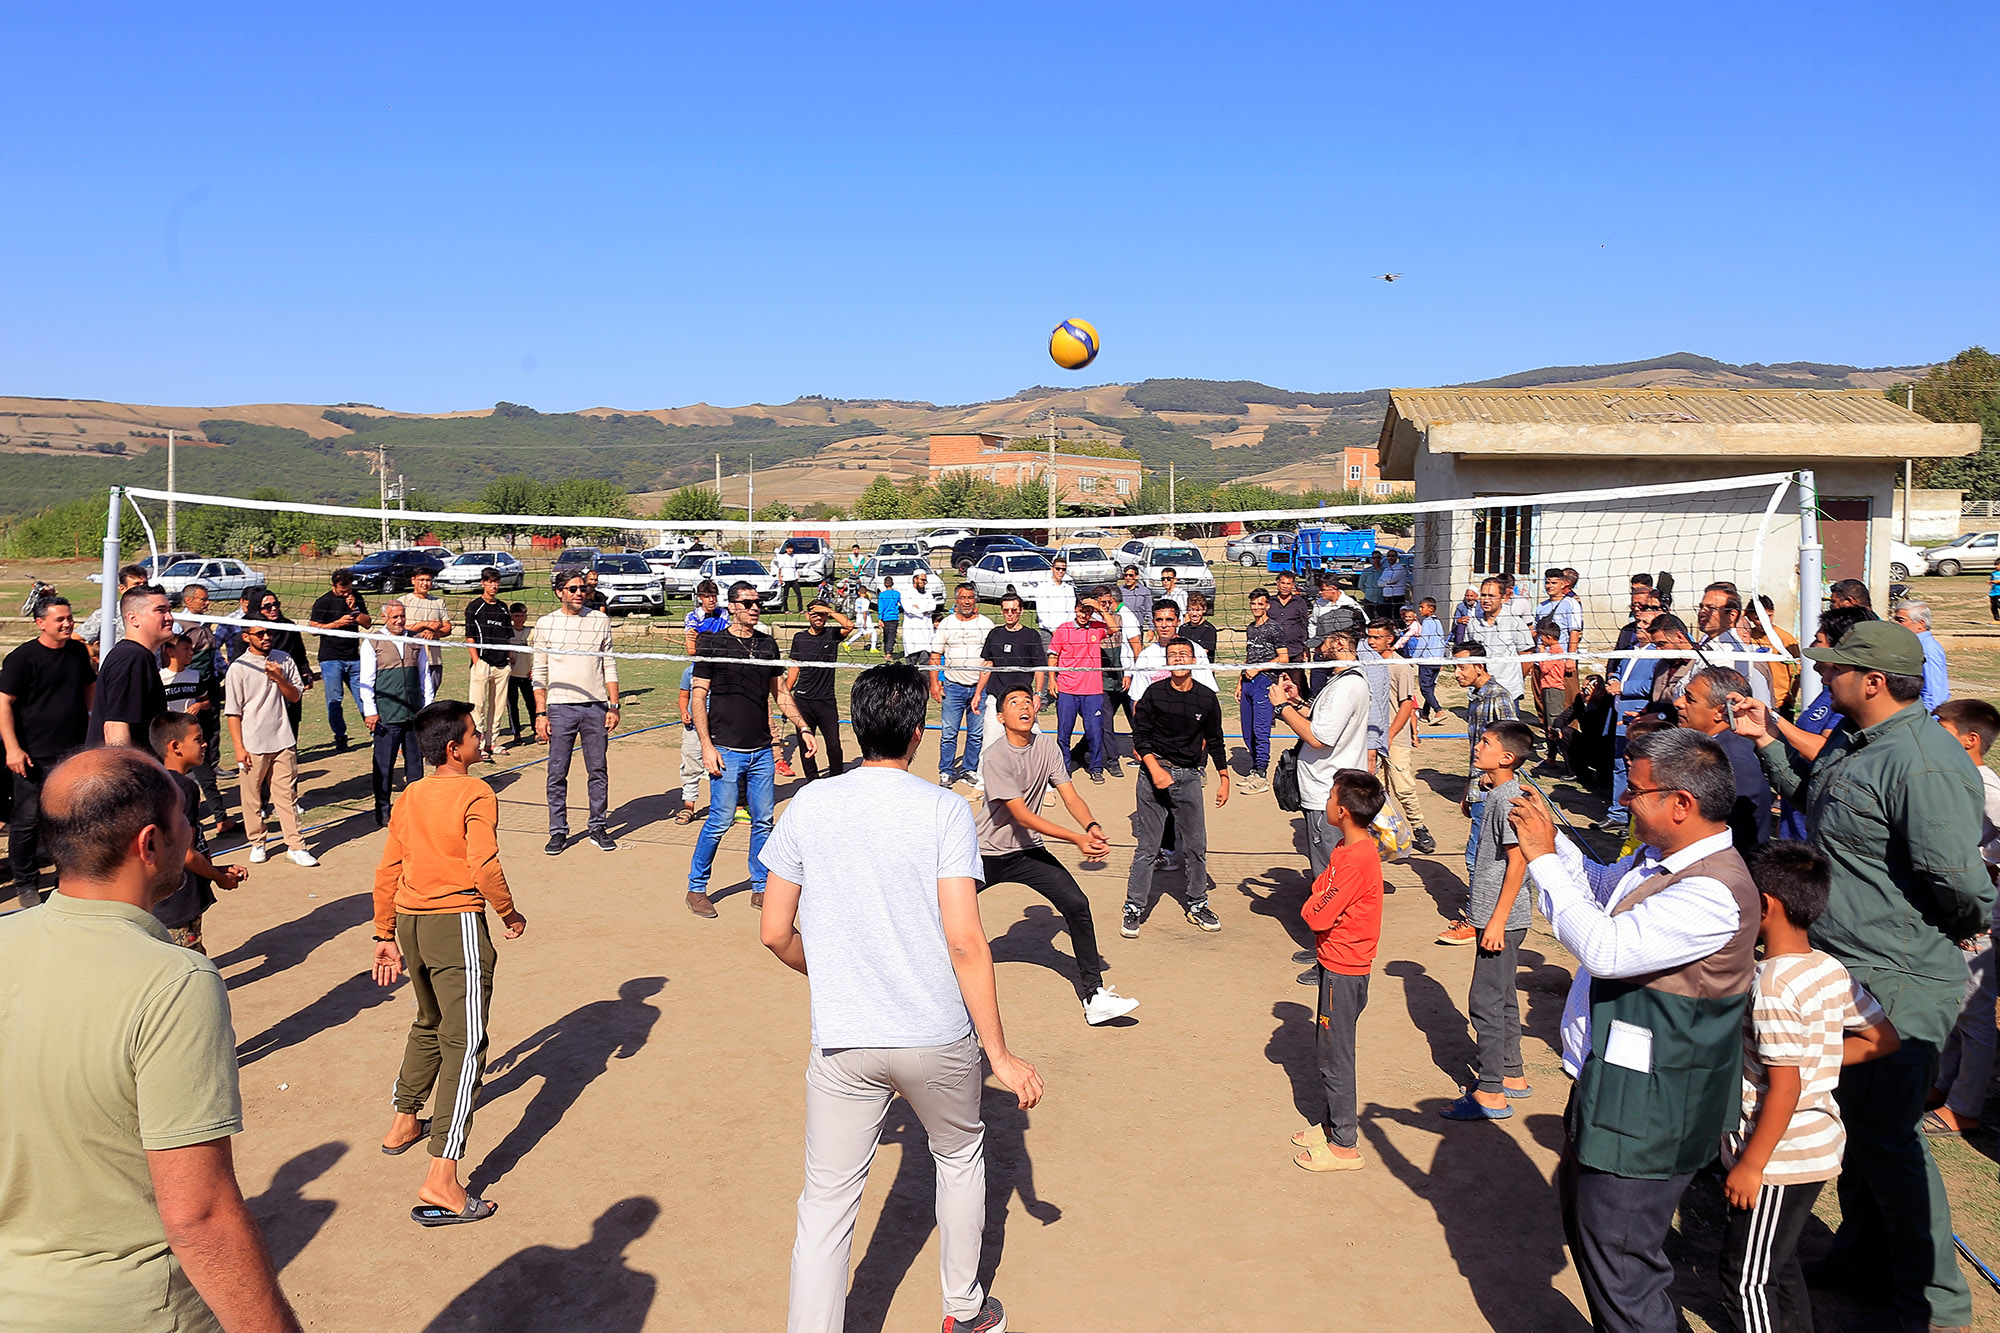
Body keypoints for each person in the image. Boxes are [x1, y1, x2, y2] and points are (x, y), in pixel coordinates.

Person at [758, 662, 1042, 1333]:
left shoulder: (810, 804)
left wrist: (835, 974)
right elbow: (966, 940)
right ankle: (963, 1311)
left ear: (857, 726)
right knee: (960, 1158)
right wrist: (1000, 1055)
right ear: (918, 733)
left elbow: (774, 932)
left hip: (843, 1041)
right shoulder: (943, 808)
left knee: (826, 1204)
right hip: (936, 1035)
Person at [1733, 622, 1994, 1332]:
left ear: (1873, 681)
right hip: (1848, 964)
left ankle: (1936, 1305)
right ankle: (1864, 1260)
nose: (1825, 677)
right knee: (1860, 1127)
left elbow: (1957, 879)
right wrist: (1766, 741)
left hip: (1901, 973)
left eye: (1836, 669)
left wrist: (1957, 925)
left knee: (1889, 1138)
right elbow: (1815, 801)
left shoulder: (1923, 762)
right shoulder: (1855, 739)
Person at [0, 748, 301, 1332]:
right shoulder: (174, 982)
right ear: (150, 844)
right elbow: (199, 1213)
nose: (190, 831)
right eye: (183, 819)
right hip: (133, 1310)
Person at [1508, 730, 1760, 1333]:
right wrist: (1556, 844)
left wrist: (1543, 859)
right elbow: (1601, 891)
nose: (1623, 799)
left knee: (1621, 1259)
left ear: (1682, 803)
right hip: (1615, 1084)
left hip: (1656, 1104)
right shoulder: (1662, 863)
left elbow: (1606, 948)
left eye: (1637, 790)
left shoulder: (1713, 891)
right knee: (1593, 1233)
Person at [1718, 839, 1899, 1333]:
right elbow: (1882, 1038)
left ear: (1766, 905)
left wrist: (1751, 1165)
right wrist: (1814, 1060)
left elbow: (1785, 1089)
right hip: (1815, 1146)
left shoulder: (1771, 986)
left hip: (1778, 1158)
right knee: (1777, 1264)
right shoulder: (1828, 968)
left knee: (1745, 1280)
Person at [371, 701, 527, 1228]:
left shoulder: (411, 794)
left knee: (430, 1021)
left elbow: (388, 866)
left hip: (410, 924)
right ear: (455, 749)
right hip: (455, 923)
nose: (481, 739)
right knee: (467, 1042)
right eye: (475, 733)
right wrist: (509, 912)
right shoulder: (476, 791)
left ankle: (404, 1120)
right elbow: (483, 864)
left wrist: (384, 932)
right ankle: (443, 1174)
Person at [977, 686, 1138, 1026]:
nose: (1023, 706)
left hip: (1027, 851)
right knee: (936, 908)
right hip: (984, 853)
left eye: (1027, 701)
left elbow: (1070, 795)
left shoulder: (1047, 747)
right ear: (1001, 717)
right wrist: (1076, 838)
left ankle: (1094, 996)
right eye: (1013, 702)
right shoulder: (995, 756)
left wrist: (1091, 825)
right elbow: (1022, 816)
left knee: (1077, 905)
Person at [687, 581, 813, 918]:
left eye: (758, 602)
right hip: (726, 749)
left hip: (761, 751)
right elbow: (698, 696)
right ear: (732, 606)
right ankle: (696, 888)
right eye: (747, 603)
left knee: (764, 821)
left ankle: (760, 886)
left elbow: (781, 693)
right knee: (719, 821)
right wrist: (707, 746)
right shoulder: (713, 643)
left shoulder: (767, 644)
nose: (755, 608)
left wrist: (802, 727)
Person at [1291, 768, 1386, 1173]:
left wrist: (1316, 903)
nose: (1326, 802)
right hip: (1336, 963)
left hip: (1344, 969)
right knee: (1329, 1048)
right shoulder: (1347, 850)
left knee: (1336, 1056)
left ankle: (1345, 1144)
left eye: (1331, 797)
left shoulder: (1355, 860)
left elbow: (1316, 913)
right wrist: (1319, 900)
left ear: (1343, 811)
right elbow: (1321, 894)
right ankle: (1333, 1126)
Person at [1441, 720, 1536, 1119]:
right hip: (1499, 915)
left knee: (1484, 1001)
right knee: (1503, 995)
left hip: (1502, 918)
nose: (1477, 747)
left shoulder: (1508, 799)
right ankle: (1512, 1073)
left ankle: (1491, 1091)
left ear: (1507, 757)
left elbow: (1518, 861)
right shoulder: (1502, 792)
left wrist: (1497, 921)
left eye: (1486, 742)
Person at [1122, 639, 1229, 937]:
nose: (1178, 658)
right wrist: (1155, 769)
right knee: (1148, 847)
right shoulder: (1154, 694)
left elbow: (1216, 739)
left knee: (1196, 846)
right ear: (1167, 662)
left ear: (1194, 660)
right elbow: (1140, 737)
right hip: (1153, 774)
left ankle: (1198, 903)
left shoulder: (1206, 697)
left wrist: (1224, 777)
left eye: (1183, 654)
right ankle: (1134, 907)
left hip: (1189, 776)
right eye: (1173, 655)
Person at [1927, 699, 2000, 1136]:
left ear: (1970, 740)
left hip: (1980, 913)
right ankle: (1944, 1083)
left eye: (1942, 728)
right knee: (1955, 1001)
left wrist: (1984, 863)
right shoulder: (1954, 777)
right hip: (1959, 909)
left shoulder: (1986, 786)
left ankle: (1966, 1106)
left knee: (1974, 1009)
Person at [0, 595, 95, 908]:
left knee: (68, 819)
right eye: (60, 619)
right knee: (26, 821)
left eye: (69, 618)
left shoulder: (78, 652)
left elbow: (89, 688)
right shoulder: (22, 658)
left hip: (71, 753)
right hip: (32, 755)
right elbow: (3, 703)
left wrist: (91, 727)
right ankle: (26, 883)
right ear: (41, 623)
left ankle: (66, 878)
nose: (67, 624)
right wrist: (13, 749)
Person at [532, 571, 619, 856]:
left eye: (582, 588)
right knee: (557, 771)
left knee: (598, 770)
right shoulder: (546, 623)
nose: (579, 593)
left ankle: (598, 826)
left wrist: (614, 705)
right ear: (560, 592)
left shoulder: (600, 620)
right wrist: (541, 713)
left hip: (596, 705)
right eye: (572, 589)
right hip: (560, 707)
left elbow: (609, 664)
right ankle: (558, 830)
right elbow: (539, 671)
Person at [1271, 631, 1369, 884]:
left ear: (1339, 642)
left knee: (1329, 871)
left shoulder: (1344, 687)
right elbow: (1325, 722)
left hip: (1326, 792)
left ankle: (1329, 909)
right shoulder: (1348, 679)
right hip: (1335, 786)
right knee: (1340, 865)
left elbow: (1318, 738)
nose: (1317, 651)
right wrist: (1297, 702)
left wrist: (1282, 707)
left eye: (1322, 644)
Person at [148, 712, 247, 955]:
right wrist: (219, 877)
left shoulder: (154, 782)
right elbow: (185, 853)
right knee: (188, 963)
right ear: (175, 746)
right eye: (198, 739)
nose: (204, 744)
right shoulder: (184, 789)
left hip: (159, 901)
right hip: (179, 903)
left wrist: (217, 868)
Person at [1443, 642, 1519, 946]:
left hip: (1493, 791)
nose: (1457, 673)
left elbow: (1512, 745)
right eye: (1455, 667)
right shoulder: (1476, 698)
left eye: (1462, 667)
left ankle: (1478, 920)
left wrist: (1492, 782)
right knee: (1480, 857)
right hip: (1479, 788)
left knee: (1479, 859)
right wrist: (1469, 787)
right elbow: (1476, 754)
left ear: (1480, 666)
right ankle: (1482, 914)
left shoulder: (1498, 697)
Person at [224, 624, 316, 868]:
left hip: (283, 739)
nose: (266, 637)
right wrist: (239, 747)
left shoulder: (283, 659)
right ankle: (257, 842)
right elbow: (233, 712)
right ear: (247, 637)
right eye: (260, 634)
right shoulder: (238, 668)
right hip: (253, 743)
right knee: (252, 797)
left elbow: (295, 696)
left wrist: (279, 678)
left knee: (287, 796)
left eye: (269, 633)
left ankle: (296, 846)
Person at [1674, 667, 1772, 855]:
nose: (1678, 703)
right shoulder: (1710, 747)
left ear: (1720, 711)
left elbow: (1740, 834)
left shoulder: (1734, 761)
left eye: (1690, 699)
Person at [360, 602, 436, 828]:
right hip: (387, 715)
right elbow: (366, 680)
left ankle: (416, 809)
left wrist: (427, 707)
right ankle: (382, 810)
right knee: (384, 765)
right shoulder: (372, 641)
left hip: (413, 713)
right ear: (385, 617)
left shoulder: (415, 640)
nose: (399, 620)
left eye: (402, 616)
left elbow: (424, 675)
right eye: (394, 617)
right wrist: (371, 711)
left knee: (415, 764)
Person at [1364, 619, 1434, 855]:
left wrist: (1391, 733)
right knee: (1376, 788)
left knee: (1403, 787)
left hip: (1396, 737)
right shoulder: (1366, 663)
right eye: (1369, 636)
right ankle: (1385, 834)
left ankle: (1419, 828)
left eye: (1376, 637)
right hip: (1370, 737)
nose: (1371, 641)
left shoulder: (1400, 667)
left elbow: (1407, 704)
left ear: (1390, 639)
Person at [172, 582, 236, 836]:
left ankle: (219, 816)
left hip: (205, 686)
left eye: (207, 599)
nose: (206, 603)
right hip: (184, 693)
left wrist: (226, 674)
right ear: (188, 601)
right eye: (202, 599)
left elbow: (214, 655)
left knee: (209, 737)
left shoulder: (207, 624)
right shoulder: (178, 625)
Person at [86, 584, 174, 749]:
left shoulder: (138, 656)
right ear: (133, 619)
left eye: (169, 610)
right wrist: (126, 766)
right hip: (117, 763)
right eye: (160, 611)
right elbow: (115, 728)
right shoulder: (131, 658)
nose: (169, 617)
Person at [932, 584, 994, 788]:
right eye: (963, 597)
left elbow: (991, 659)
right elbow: (935, 654)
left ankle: (969, 769)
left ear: (975, 600)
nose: (967, 601)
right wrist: (934, 682)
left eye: (970, 597)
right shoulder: (947, 624)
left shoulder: (986, 624)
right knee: (949, 732)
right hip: (953, 686)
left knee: (976, 734)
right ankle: (946, 771)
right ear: (956, 601)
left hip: (979, 687)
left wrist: (982, 687)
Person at [306, 569, 372, 754]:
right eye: (342, 591)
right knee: (335, 700)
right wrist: (338, 623)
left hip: (353, 658)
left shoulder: (356, 597)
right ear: (333, 585)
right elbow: (313, 629)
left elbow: (367, 623)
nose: (345, 594)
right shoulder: (323, 601)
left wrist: (355, 610)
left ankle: (375, 732)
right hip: (331, 659)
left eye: (348, 589)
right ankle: (340, 737)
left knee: (365, 696)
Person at [785, 599, 852, 782]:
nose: (818, 618)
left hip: (826, 700)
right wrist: (785, 694)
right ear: (808, 616)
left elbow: (850, 625)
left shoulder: (832, 634)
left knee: (834, 744)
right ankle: (812, 780)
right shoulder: (799, 638)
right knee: (805, 744)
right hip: (803, 700)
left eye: (822, 615)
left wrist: (828, 610)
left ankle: (836, 779)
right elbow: (794, 668)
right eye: (814, 614)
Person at [1049, 590, 1111, 783]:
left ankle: (1096, 767)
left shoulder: (1097, 628)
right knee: (1064, 732)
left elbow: (1115, 627)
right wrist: (1052, 680)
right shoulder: (1063, 629)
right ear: (1075, 609)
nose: (1084, 615)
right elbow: (1053, 656)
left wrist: (1099, 608)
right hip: (1067, 689)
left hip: (1092, 691)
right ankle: (1063, 767)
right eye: (1081, 610)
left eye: (1088, 611)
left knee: (1095, 732)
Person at [1237, 587, 1289, 793]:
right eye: (1253, 603)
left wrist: (1258, 668)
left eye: (1260, 603)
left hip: (1265, 681)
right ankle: (1255, 768)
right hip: (1248, 682)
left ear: (1267, 605)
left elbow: (1284, 658)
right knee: (1247, 731)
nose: (1256, 607)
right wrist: (1239, 682)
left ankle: (1261, 773)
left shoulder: (1274, 628)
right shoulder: (1251, 628)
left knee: (1261, 730)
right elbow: (1249, 656)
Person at [248, 588, 316, 744]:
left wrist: (306, 673)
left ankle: (291, 753)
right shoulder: (248, 630)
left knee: (291, 726)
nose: (273, 609)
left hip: (288, 684)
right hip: (262, 687)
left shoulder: (288, 627)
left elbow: (300, 655)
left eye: (276, 604)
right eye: (267, 606)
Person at [977, 592, 1045, 737]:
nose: (1009, 614)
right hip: (996, 698)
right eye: (1006, 610)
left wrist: (1038, 694)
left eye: (1014, 610)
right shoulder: (995, 633)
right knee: (990, 743)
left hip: (1022, 697)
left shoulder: (1031, 635)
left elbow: (1039, 668)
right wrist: (978, 693)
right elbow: (988, 664)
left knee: (1033, 739)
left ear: (1021, 611)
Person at [464, 568, 514, 763]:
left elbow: (508, 636)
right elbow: (470, 637)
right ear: (483, 583)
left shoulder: (503, 607)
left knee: (498, 705)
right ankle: (479, 744)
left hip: (502, 664)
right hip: (482, 663)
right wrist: (476, 661)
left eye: (496, 582)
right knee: (477, 706)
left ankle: (491, 742)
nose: (494, 585)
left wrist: (508, 657)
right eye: (490, 582)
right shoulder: (474, 607)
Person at [1468, 577, 1527, 703]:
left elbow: (1527, 655)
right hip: (1479, 692)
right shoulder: (1473, 624)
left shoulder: (1515, 623)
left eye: (1491, 596)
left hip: (1508, 692)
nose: (1486, 600)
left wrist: (1515, 679)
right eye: (1483, 595)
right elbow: (1467, 655)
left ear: (1503, 598)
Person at [1306, 572, 1366, 694]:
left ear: (1333, 589)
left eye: (1322, 589)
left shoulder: (1349, 603)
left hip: (1341, 653)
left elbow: (1364, 624)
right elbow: (1313, 623)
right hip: (1322, 651)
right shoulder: (1319, 603)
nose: (1320, 592)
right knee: (1317, 685)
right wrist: (1316, 642)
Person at [1890, 599, 1951, 710]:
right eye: (1895, 619)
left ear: (1920, 624)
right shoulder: (1912, 644)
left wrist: (1927, 717)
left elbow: (1933, 692)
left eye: (1901, 620)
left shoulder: (1927, 649)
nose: (1895, 624)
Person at [77, 563, 149, 656]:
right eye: (136, 585)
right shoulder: (107, 613)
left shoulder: (157, 611)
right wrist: (97, 654)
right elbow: (76, 638)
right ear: (122, 589)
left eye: (145, 584)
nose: (142, 589)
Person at [399, 568, 451, 694]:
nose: (425, 583)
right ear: (413, 581)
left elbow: (447, 628)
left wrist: (434, 633)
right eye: (421, 580)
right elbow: (399, 628)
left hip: (433, 660)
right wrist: (423, 625)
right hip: (411, 659)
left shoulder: (438, 602)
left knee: (430, 695)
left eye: (428, 580)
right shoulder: (403, 601)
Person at [1266, 569, 1312, 686]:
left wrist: (1305, 647)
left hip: (1294, 650)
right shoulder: (1270, 602)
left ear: (1293, 585)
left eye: (1288, 584)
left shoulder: (1299, 602)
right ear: (1277, 584)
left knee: (1296, 683)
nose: (1285, 586)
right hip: (1274, 651)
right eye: (1283, 583)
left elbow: (1304, 624)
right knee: (1275, 683)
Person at [1405, 598, 1447, 721]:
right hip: (1437, 660)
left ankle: (1439, 711)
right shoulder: (1438, 622)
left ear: (1431, 609)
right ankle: (1425, 713)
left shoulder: (1427, 622)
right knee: (1430, 687)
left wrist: (1414, 658)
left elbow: (1423, 642)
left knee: (1424, 688)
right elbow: (1442, 642)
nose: (1419, 609)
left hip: (1427, 661)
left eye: (1422, 607)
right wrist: (1442, 659)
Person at [504, 602, 535, 745]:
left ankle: (537, 731)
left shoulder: (531, 632)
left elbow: (539, 652)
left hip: (527, 674)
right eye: (517, 616)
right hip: (510, 675)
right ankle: (516, 734)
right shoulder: (507, 632)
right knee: (512, 706)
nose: (520, 619)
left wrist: (534, 669)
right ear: (511, 617)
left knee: (531, 704)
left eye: (522, 616)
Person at [901, 570, 938, 667]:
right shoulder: (906, 593)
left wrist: (918, 608)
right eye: (922, 579)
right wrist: (924, 610)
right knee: (910, 666)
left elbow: (933, 607)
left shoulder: (928, 594)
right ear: (915, 579)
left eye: (925, 580)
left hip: (926, 634)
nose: (924, 582)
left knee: (925, 666)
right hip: (912, 634)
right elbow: (909, 609)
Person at [1035, 555, 1076, 633]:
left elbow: (1071, 611)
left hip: (1066, 630)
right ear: (1052, 569)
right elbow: (1042, 612)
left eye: (1063, 569)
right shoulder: (1043, 587)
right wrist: (1053, 630)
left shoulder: (1069, 589)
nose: (1060, 571)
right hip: (1048, 630)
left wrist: (1068, 628)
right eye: (1058, 568)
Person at [1179, 591, 1218, 660]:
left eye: (1198, 610)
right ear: (1187, 609)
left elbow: (1204, 651)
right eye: (1191, 610)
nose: (1194, 614)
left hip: (1202, 664)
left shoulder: (1209, 629)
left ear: (1204, 609)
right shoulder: (1183, 628)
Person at [876, 574, 903, 660]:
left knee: (886, 635)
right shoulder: (897, 594)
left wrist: (880, 618)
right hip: (894, 617)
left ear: (884, 584)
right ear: (892, 583)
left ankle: (887, 652)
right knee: (892, 635)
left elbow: (880, 607)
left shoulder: (881, 595)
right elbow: (901, 604)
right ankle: (889, 653)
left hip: (885, 618)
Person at [1117, 562, 1153, 626]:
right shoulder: (1118, 590)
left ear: (1137, 577)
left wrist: (1151, 628)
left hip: (1138, 626)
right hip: (1121, 626)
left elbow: (1149, 611)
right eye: (1126, 575)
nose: (1128, 577)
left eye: (1131, 575)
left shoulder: (1145, 591)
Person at [1378, 548, 1409, 616]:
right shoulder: (1386, 569)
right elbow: (1379, 583)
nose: (1390, 558)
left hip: (1397, 597)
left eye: (1392, 556)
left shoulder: (1400, 568)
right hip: (1386, 598)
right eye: (1388, 556)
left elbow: (1392, 580)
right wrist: (1388, 583)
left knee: (1396, 616)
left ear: (1396, 557)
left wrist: (1385, 581)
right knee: (1387, 616)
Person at [773, 545, 801, 612]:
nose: (789, 550)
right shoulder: (783, 557)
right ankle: (786, 610)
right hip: (786, 579)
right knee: (785, 595)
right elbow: (780, 568)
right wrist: (780, 577)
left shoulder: (795, 556)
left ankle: (800, 609)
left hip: (794, 578)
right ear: (786, 549)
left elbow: (796, 567)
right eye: (788, 548)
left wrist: (798, 574)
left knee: (799, 594)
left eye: (791, 548)